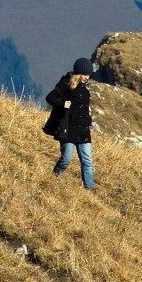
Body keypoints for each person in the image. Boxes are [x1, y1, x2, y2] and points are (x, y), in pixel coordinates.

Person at [46, 58, 96, 190]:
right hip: (68, 129)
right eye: (85, 75)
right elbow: (50, 97)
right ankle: (54, 178)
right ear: (78, 73)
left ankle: (89, 188)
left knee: (87, 161)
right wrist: (62, 104)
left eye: (88, 75)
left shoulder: (85, 87)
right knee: (66, 159)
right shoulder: (65, 84)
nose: (87, 77)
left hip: (83, 129)